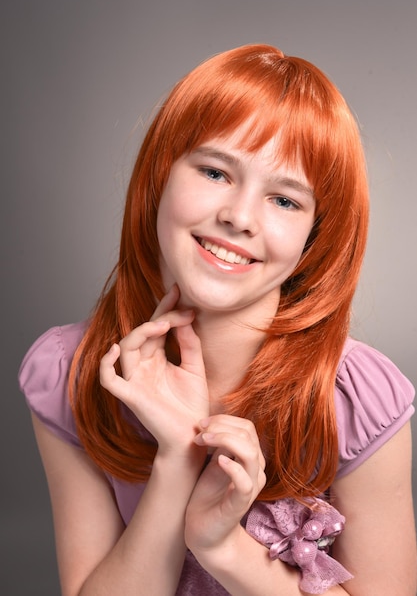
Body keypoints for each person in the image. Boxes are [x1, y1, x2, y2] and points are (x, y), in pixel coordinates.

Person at [19, 44, 416, 595]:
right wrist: (177, 464)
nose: (238, 217)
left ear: (313, 240)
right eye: (214, 171)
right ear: (160, 173)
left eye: (284, 201)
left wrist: (223, 547)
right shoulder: (70, 371)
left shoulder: (355, 398)